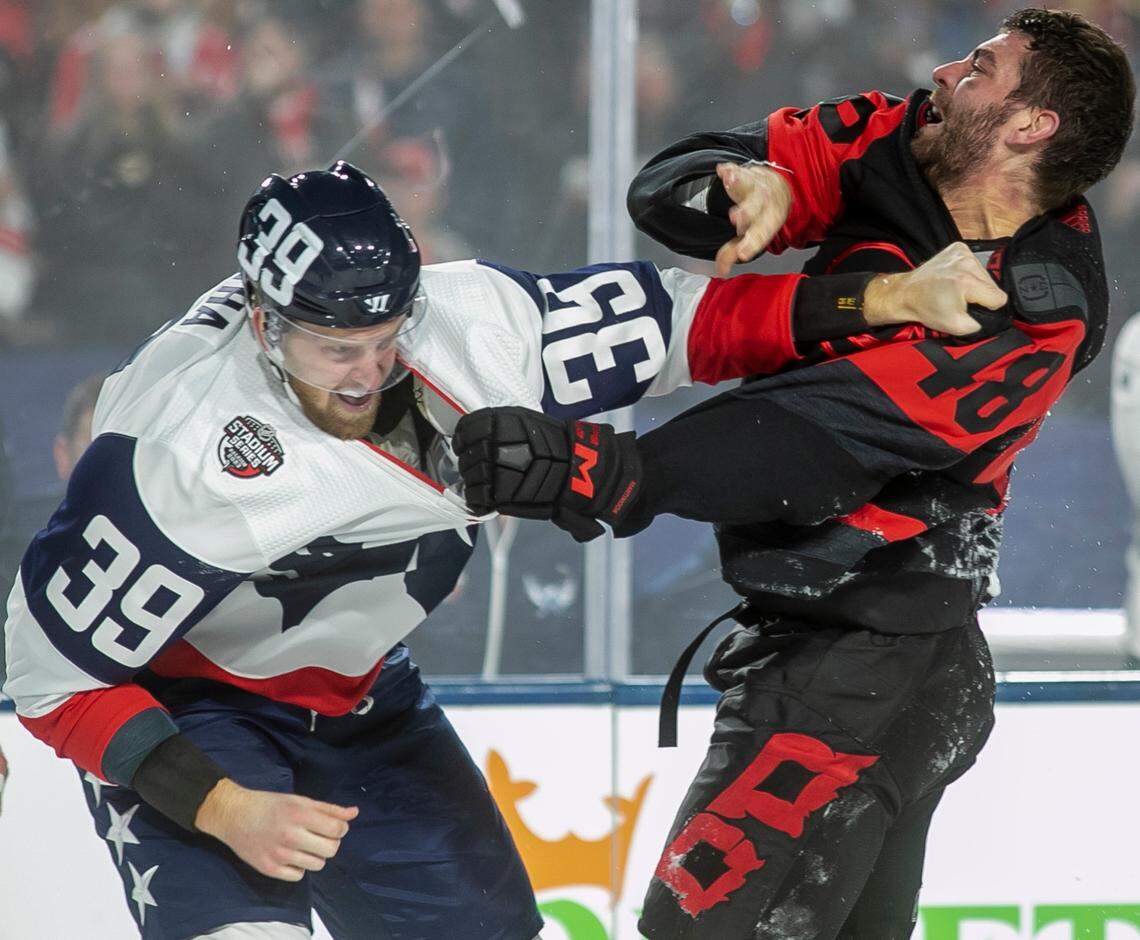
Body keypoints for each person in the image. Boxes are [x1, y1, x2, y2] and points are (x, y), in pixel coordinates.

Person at [0, 160, 964, 939]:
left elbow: (688, 326)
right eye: (338, 349)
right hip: (194, 706)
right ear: (263, 324)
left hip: (364, 696)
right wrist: (218, 807)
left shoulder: (475, 317)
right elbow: (51, 673)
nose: (370, 371)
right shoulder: (176, 456)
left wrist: (882, 296)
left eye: (388, 333)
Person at [451, 9, 1134, 939]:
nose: (942, 70)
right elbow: (671, 186)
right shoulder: (899, 134)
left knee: (697, 929)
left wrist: (617, 470)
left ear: (1030, 126)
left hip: (874, 666)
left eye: (981, 67)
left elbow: (817, 444)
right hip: (843, 646)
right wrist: (751, 190)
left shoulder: (1041, 306)